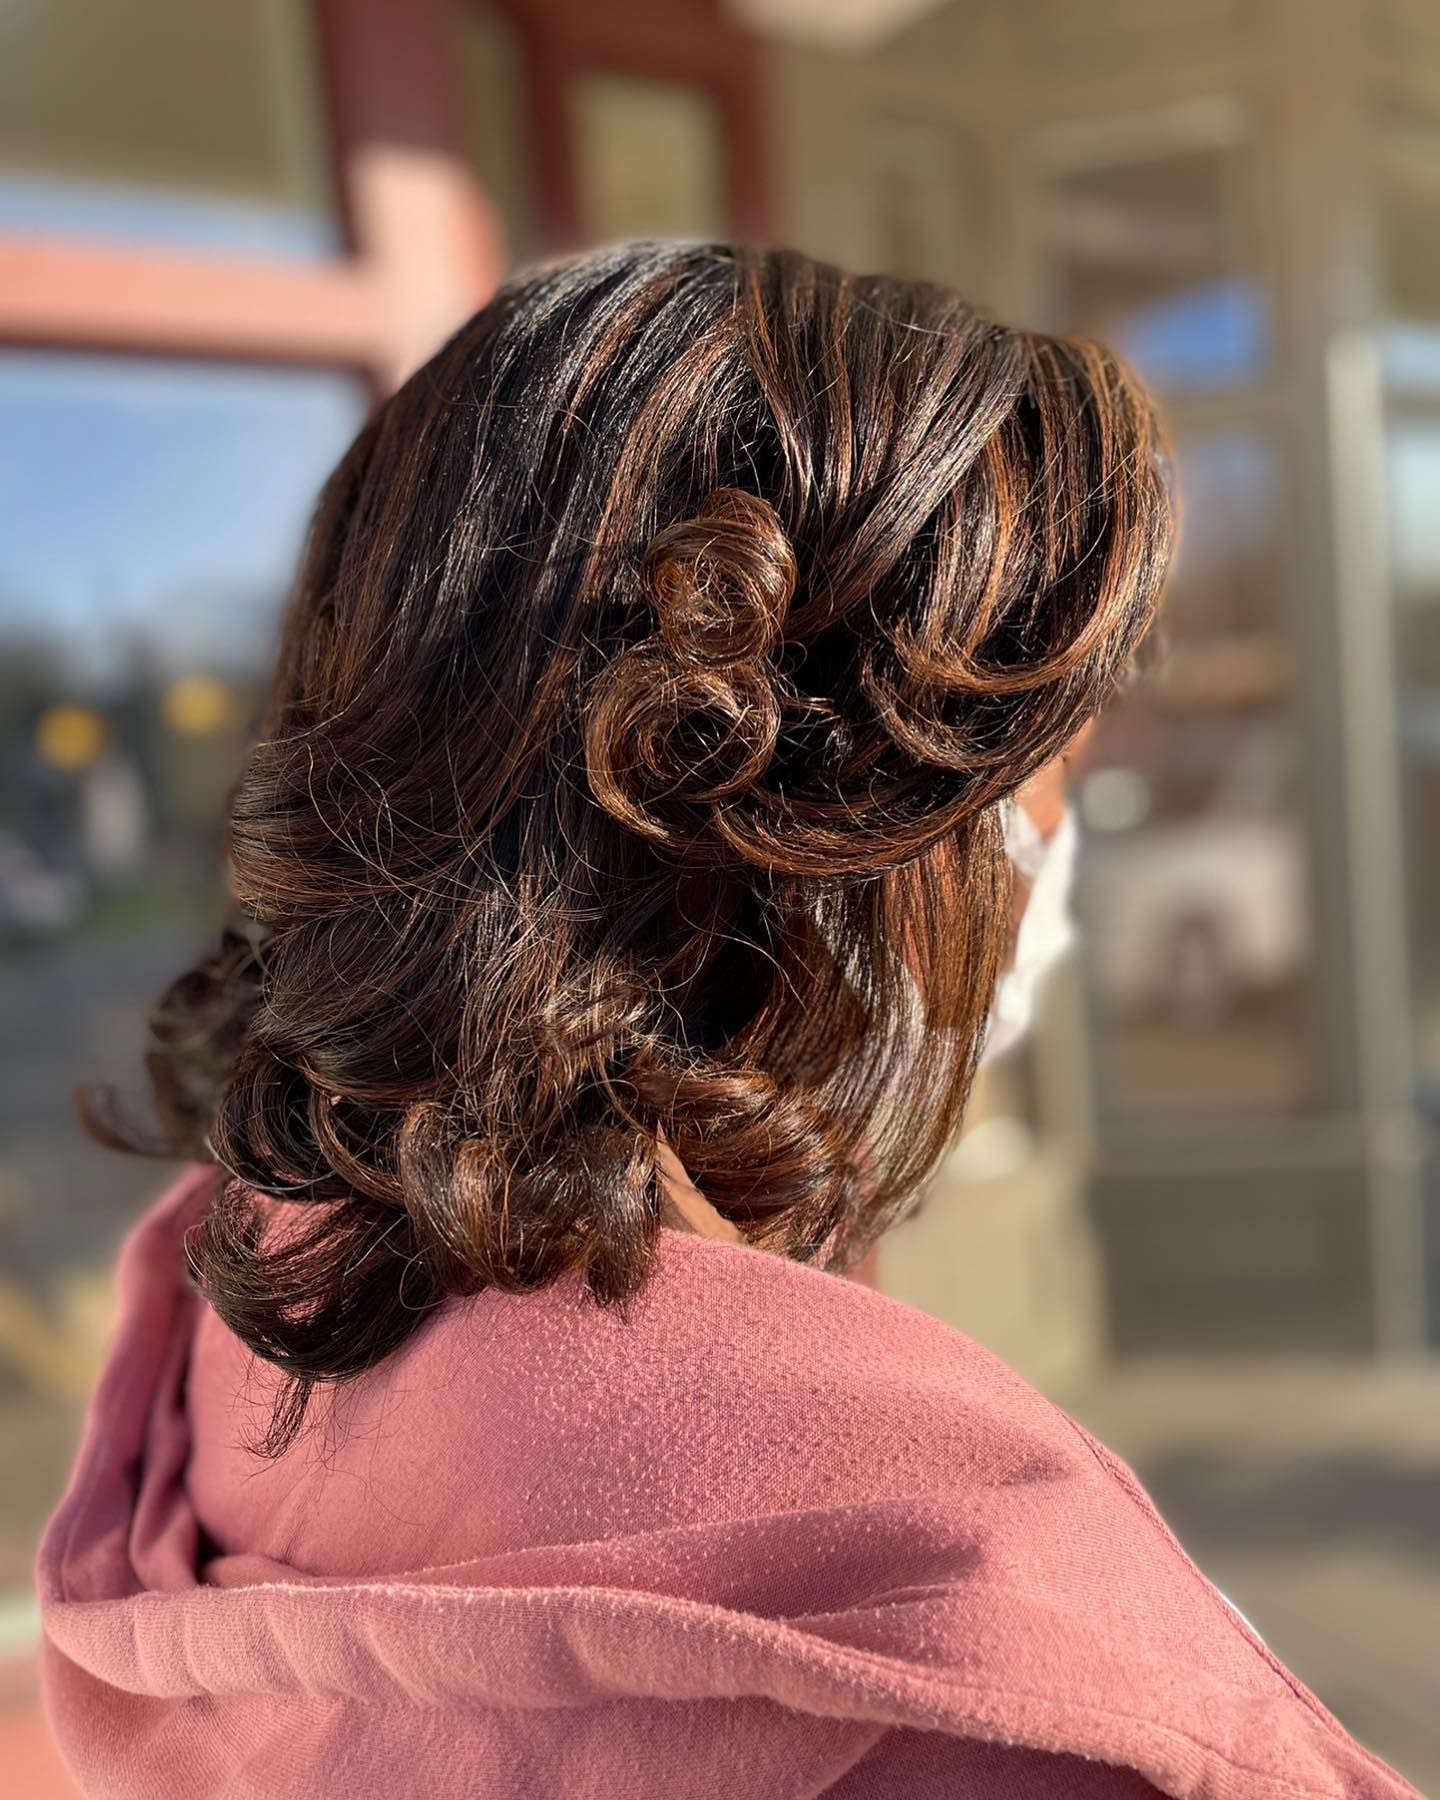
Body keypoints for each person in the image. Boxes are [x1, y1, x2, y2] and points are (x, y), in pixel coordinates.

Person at [37, 243, 1417, 1799]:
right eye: (1052, 776)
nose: (1060, 855)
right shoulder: (990, 1667)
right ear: (837, 849)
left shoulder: (245, 1318)